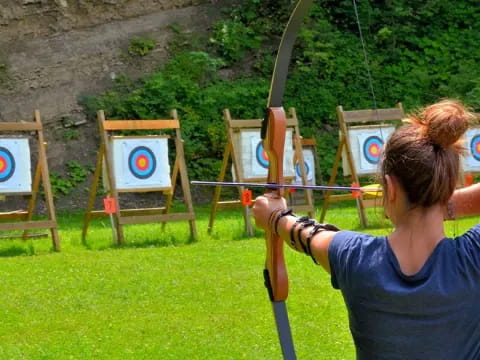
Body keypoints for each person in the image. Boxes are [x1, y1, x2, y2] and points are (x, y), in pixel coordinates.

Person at [253, 99, 480, 359]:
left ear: (390, 188)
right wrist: (443, 202)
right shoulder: (473, 257)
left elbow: (304, 233)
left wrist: (273, 215)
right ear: (448, 185)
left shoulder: (355, 257)